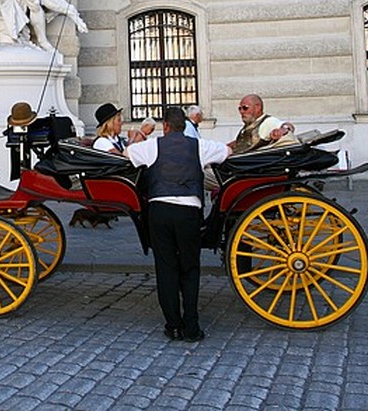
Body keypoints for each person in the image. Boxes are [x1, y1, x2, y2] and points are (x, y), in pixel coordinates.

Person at [124, 107, 231, 343]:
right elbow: (227, 151)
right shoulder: (198, 146)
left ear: (165, 125)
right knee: (190, 268)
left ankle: (173, 325)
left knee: (166, 267)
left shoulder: (154, 146)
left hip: (160, 209)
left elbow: (128, 154)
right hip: (189, 211)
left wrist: (137, 137)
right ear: (185, 125)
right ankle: (191, 326)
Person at [228, 94, 295, 154]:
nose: (241, 111)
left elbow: (288, 125)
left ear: (257, 107)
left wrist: (282, 130)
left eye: (245, 108)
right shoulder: (249, 125)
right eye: (240, 109)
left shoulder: (268, 122)